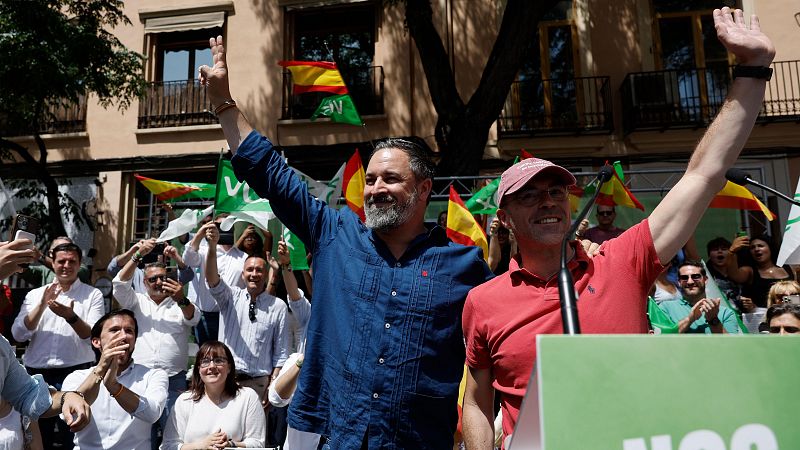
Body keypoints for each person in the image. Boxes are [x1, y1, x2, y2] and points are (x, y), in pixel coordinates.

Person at [461, 8, 775, 447]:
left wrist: (753, 69)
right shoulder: (483, 301)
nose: (548, 201)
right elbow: (477, 402)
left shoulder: (623, 261)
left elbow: (704, 173)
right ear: (504, 218)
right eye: (529, 195)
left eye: (556, 191)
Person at [199, 36, 494, 449]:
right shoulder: (334, 232)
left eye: (391, 179)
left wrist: (573, 254)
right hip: (331, 436)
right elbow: (270, 173)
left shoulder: (464, 265)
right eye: (370, 179)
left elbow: (505, 332)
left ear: (425, 189)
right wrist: (225, 105)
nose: (375, 189)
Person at [11, 242, 104, 448]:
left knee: (73, 434)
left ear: (79, 264)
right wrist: (42, 304)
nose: (66, 265)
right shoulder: (35, 294)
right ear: (52, 262)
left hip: (77, 373)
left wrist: (70, 317)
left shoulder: (92, 295)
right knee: (36, 436)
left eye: (72, 261)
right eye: (61, 261)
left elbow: (93, 337)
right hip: (37, 375)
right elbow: (18, 333)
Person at [113, 239, 200, 450]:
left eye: (162, 277)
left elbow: (194, 318)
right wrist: (137, 255)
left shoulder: (180, 301)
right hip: (141, 379)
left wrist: (181, 298)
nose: (159, 282)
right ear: (144, 282)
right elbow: (119, 285)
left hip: (173, 381)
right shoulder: (136, 301)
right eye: (153, 279)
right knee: (141, 437)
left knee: (175, 435)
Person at [203, 222, 289, 412]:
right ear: (242, 275)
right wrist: (211, 246)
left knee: (252, 442)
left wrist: (272, 386)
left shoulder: (278, 307)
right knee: (221, 439)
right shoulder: (230, 297)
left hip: (259, 386)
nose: (254, 274)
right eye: (250, 270)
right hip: (226, 381)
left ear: (266, 275)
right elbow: (211, 279)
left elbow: (281, 355)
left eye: (259, 270)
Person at [61, 309, 169, 450]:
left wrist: (114, 387)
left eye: (129, 331)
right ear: (96, 342)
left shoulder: (153, 375)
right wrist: (100, 370)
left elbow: (152, 414)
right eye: (115, 330)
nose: (123, 336)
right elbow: (68, 415)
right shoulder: (76, 377)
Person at [161, 341, 266, 450]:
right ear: (198, 368)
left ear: (229, 367)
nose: (212, 366)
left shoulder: (247, 397)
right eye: (205, 361)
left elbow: (257, 443)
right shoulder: (184, 401)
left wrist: (231, 445)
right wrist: (200, 446)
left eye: (219, 360)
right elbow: (168, 446)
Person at [183, 214, 248, 346]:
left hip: (232, 316)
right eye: (220, 226)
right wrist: (202, 232)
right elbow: (188, 259)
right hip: (206, 317)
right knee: (206, 356)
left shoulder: (243, 257)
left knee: (229, 355)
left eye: (228, 226)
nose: (224, 229)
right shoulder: (203, 251)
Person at [656, 261, 739, 334]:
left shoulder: (726, 313)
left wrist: (713, 319)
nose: (690, 282)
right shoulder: (665, 308)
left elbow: (731, 346)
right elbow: (662, 339)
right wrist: (690, 319)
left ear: (705, 280)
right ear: (679, 282)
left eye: (695, 276)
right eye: (684, 278)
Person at [727, 234, 795, 310]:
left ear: (770, 248)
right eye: (752, 247)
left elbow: (797, 292)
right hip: (761, 317)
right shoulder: (750, 271)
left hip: (790, 313)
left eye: (760, 246)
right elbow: (734, 275)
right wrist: (731, 252)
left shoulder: (788, 268)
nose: (756, 249)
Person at [19, 236, 91, 287]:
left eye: (69, 248)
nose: (65, 252)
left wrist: (40, 256)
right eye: (61, 248)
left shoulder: (80, 267)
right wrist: (20, 254)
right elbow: (21, 269)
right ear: (51, 253)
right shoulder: (43, 271)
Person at [705, 237, 743, 310]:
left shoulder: (738, 270)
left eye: (724, 249)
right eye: (715, 249)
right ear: (709, 255)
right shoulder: (705, 275)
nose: (720, 251)